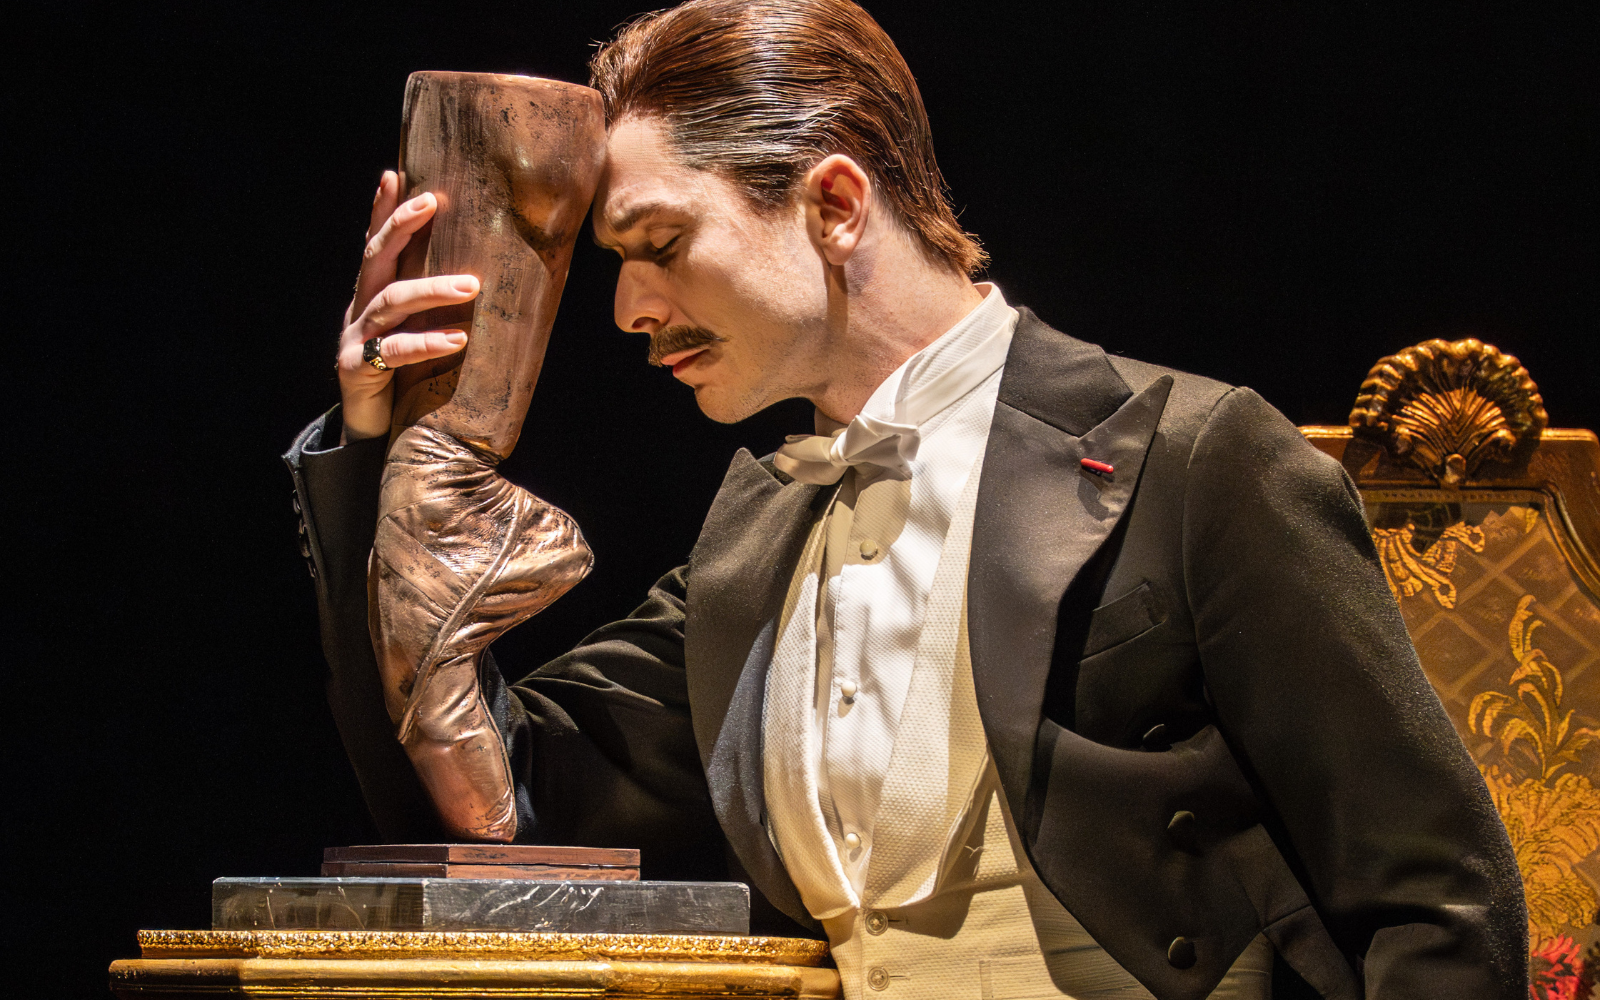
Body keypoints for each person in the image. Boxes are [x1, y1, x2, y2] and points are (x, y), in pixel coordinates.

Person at [283, 2, 1527, 997]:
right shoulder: (759, 539)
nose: (628, 310)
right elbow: (493, 804)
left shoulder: (1196, 458)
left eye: (658, 245)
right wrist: (388, 450)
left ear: (833, 205)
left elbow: (1437, 903)